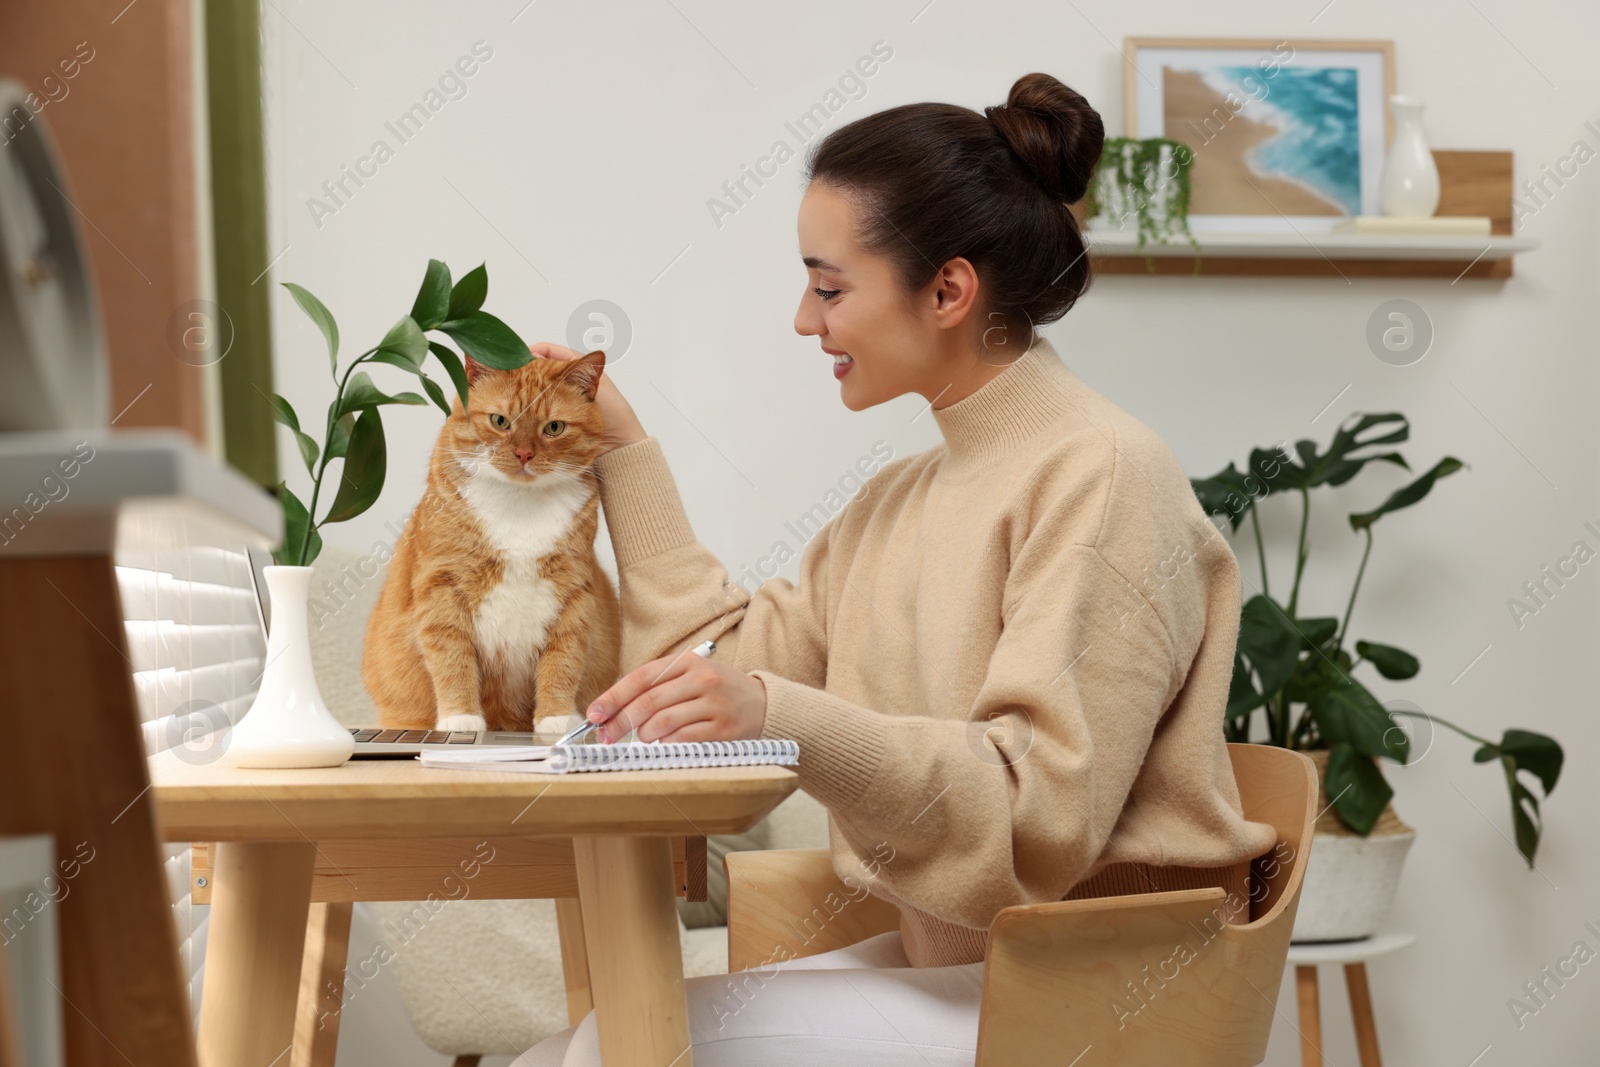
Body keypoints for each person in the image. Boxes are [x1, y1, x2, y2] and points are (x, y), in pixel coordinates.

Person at [514, 71, 1279, 1067]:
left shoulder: (1102, 474)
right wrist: (621, 448)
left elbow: (1037, 813)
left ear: (949, 290)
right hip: (979, 966)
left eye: (829, 287)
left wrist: (776, 711)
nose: (803, 319)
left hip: (1100, 989)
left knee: (613, 1048)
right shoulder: (901, 499)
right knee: (577, 1046)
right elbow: (726, 658)